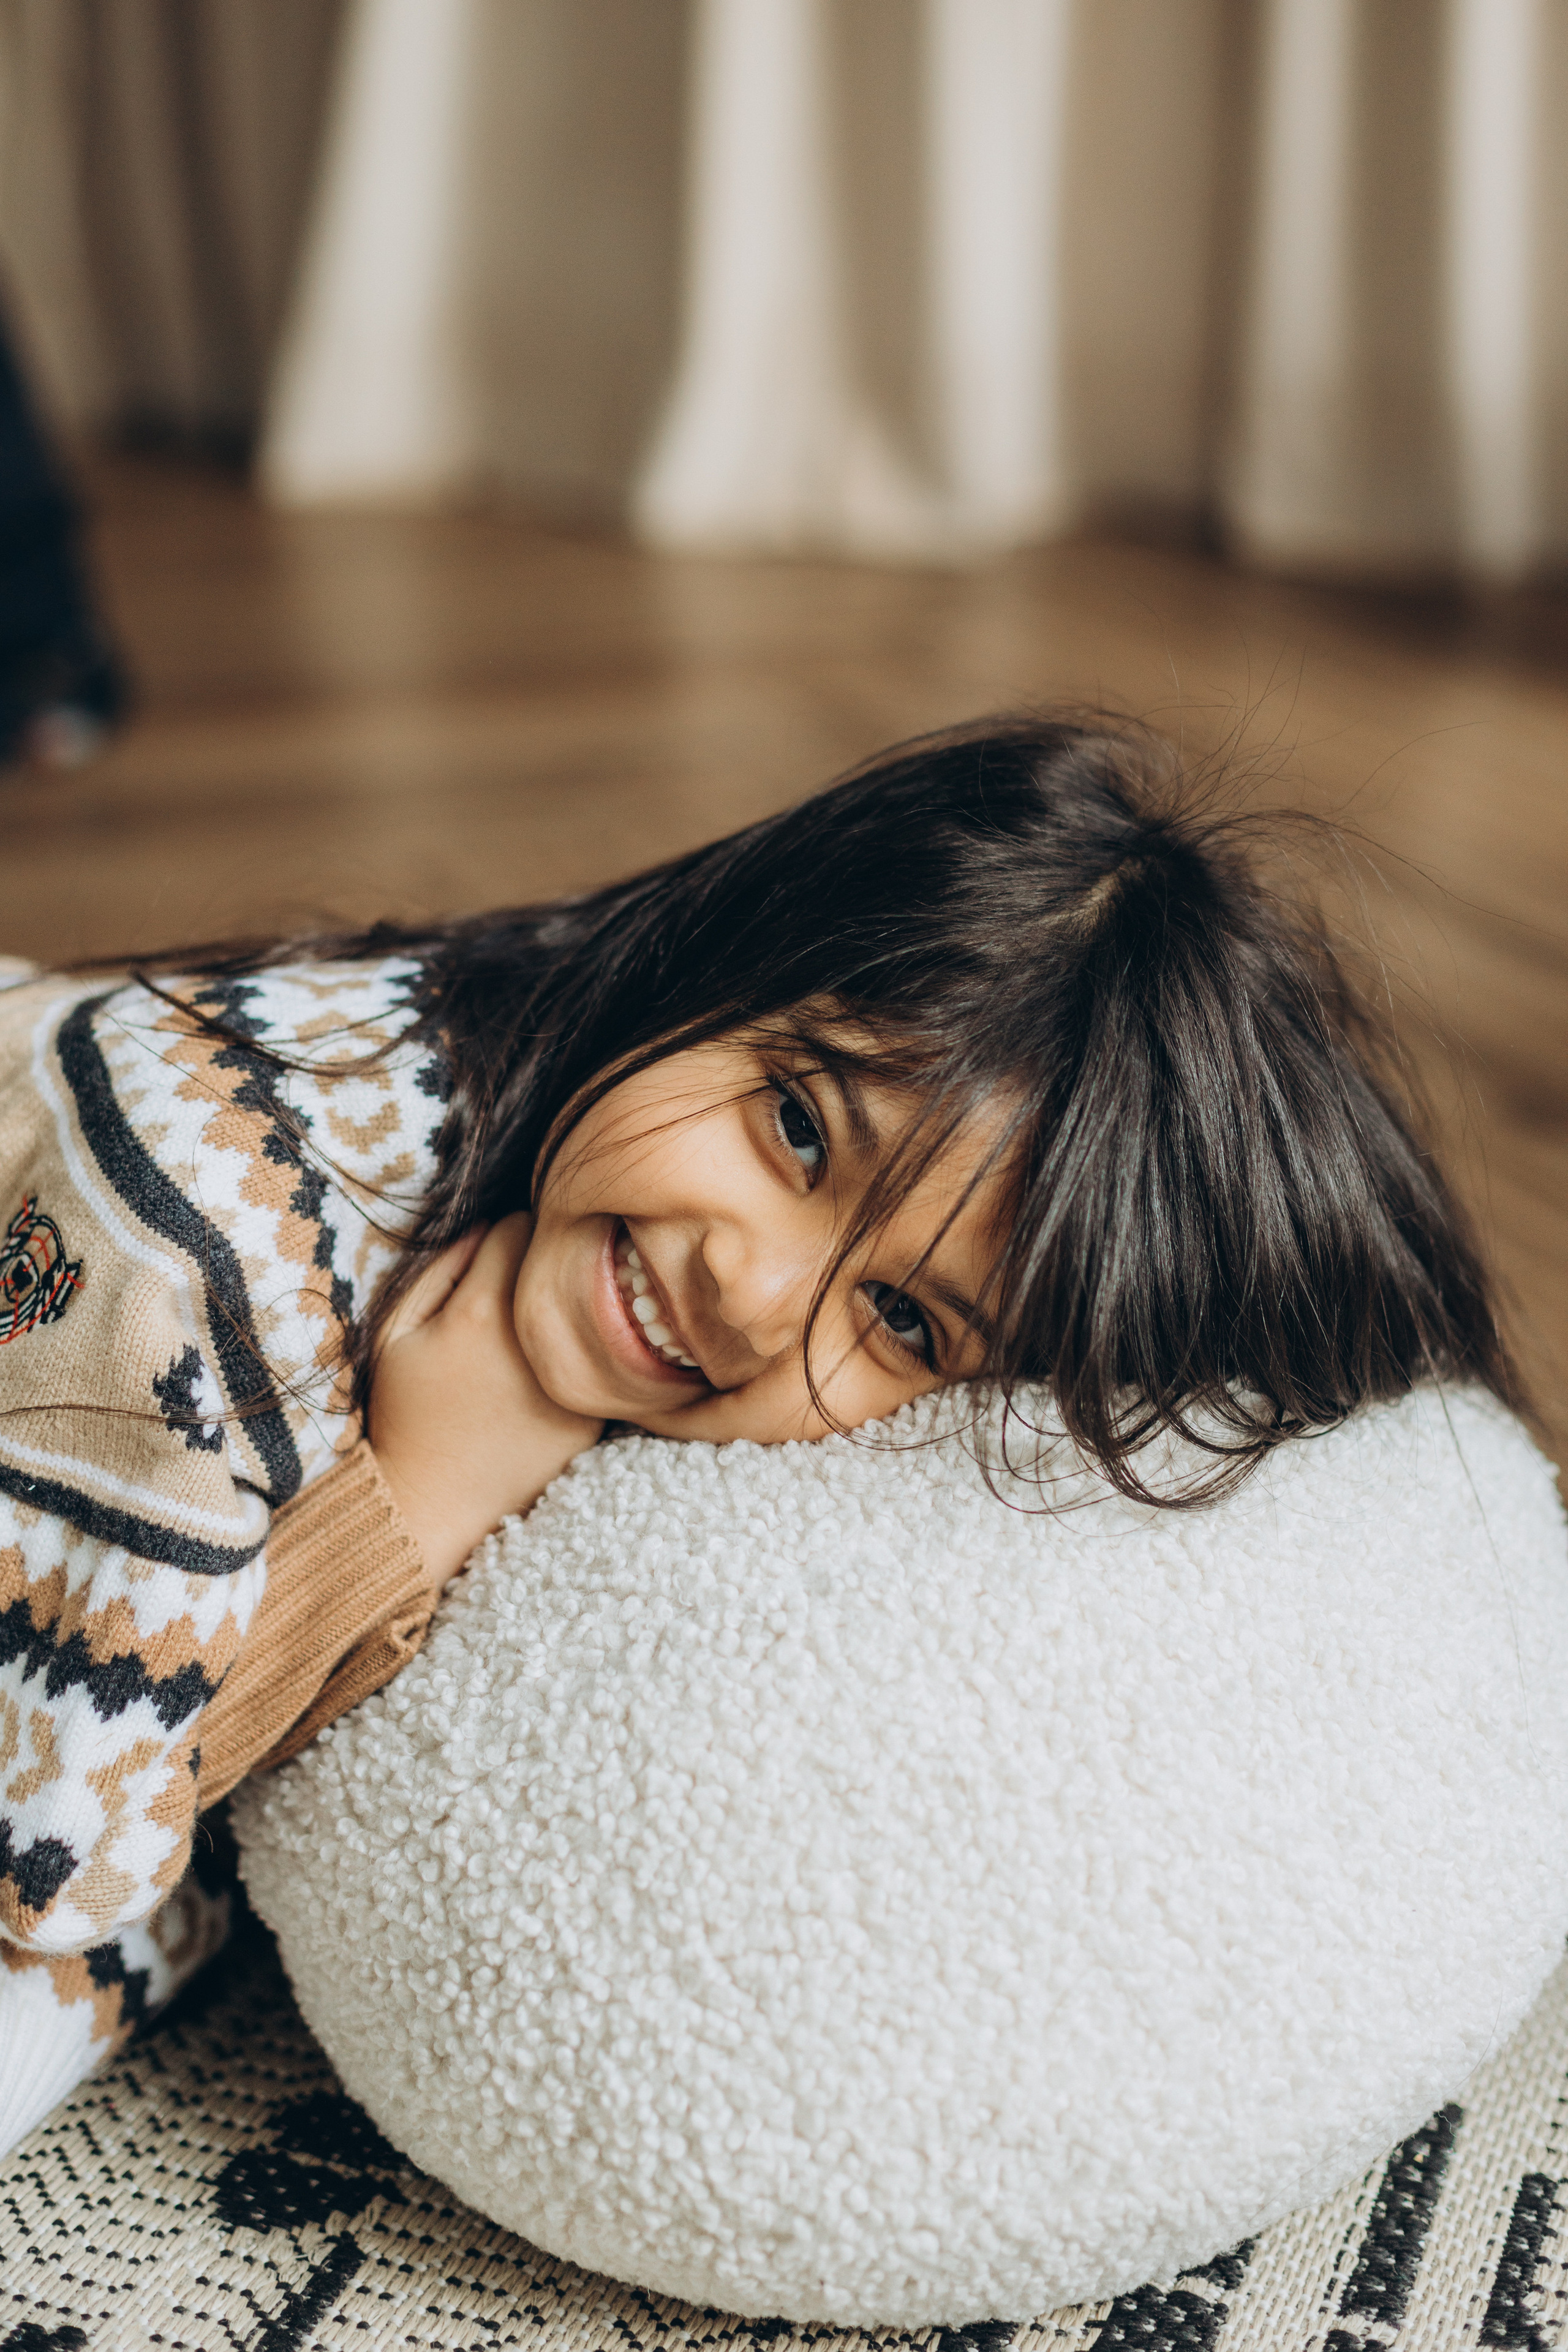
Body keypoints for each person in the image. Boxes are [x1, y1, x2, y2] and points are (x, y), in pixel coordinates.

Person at [0, 716, 1513, 2152]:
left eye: (906, 1324)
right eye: (796, 1129)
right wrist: (427, 1491)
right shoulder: (195, 1252)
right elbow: (50, 1843)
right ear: (718, 963)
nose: (756, 1291)